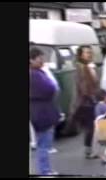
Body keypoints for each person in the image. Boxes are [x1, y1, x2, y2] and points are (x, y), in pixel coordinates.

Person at [69, 46, 106, 161]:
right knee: (90, 126)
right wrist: (93, 97)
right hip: (85, 101)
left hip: (89, 100)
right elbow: (83, 86)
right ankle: (89, 151)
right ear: (81, 55)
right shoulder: (81, 67)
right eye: (86, 53)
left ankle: (90, 150)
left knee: (91, 126)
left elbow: (94, 84)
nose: (89, 55)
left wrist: (100, 95)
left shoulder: (88, 67)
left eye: (90, 52)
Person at [30, 47, 60, 175]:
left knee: (43, 144)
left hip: (40, 111)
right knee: (43, 145)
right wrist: (52, 86)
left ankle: (46, 170)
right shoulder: (34, 74)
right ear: (31, 60)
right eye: (39, 58)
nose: (42, 61)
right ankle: (45, 171)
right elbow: (50, 89)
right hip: (41, 112)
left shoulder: (36, 72)